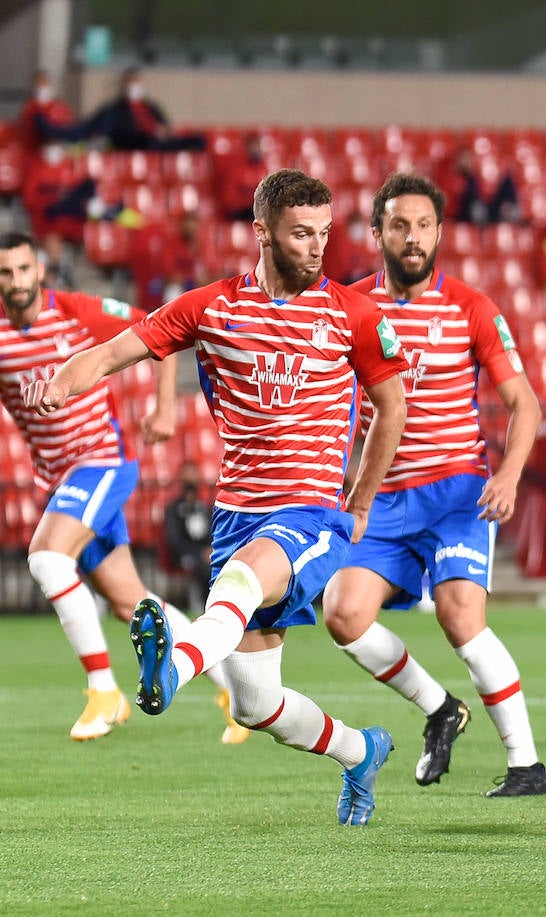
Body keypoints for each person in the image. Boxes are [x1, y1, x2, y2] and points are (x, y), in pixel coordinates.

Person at [24, 169, 409, 825]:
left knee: (236, 582)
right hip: (238, 512)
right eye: (300, 234)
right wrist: (67, 373)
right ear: (261, 231)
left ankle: (172, 669)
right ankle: (360, 750)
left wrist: (363, 498)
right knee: (261, 705)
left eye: (323, 233)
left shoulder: (353, 313)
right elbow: (120, 349)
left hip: (310, 511)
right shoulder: (211, 307)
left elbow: (391, 405)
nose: (317, 248)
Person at [322, 172, 546, 797]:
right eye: (399, 225)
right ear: (377, 233)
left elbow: (523, 404)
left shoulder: (473, 308)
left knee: (458, 617)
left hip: (455, 493)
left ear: (440, 233)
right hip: (382, 497)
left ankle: (527, 765)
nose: (413, 237)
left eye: (423, 225)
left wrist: (508, 473)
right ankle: (439, 709)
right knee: (342, 616)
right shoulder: (347, 307)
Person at [0, 231, 246, 745]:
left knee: (46, 558)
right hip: (60, 479)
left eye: (24, 269)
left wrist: (164, 407)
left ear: (40, 271)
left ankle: (103, 692)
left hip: (102, 461)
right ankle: (230, 691)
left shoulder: (75, 310)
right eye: (6, 273)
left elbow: (155, 329)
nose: (17, 281)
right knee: (131, 602)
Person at [82, 68, 206, 152]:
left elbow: (165, 127)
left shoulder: (150, 107)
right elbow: (108, 134)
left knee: (198, 140)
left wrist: (162, 131)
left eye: (136, 82)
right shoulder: (115, 111)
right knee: (149, 142)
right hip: (136, 144)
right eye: (131, 82)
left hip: (158, 143)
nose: (134, 86)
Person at [163, 460, 214, 608]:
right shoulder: (173, 509)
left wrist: (210, 549)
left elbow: (213, 532)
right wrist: (197, 553)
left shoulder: (205, 507)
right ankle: (200, 603)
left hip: (206, 553)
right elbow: (174, 540)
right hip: (184, 554)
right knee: (203, 566)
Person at [444, 149, 520, 225]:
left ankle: (508, 210)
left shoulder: (473, 177)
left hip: (488, 211)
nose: (466, 162)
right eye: (463, 159)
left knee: (507, 181)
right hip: (464, 216)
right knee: (476, 208)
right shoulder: (452, 178)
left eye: (468, 159)